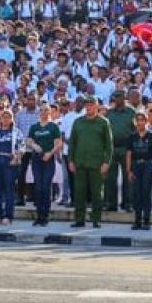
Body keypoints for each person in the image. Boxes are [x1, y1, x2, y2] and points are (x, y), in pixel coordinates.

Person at [67, 96, 113, 228]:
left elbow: (109, 145)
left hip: (97, 164)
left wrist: (106, 162)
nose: (89, 107)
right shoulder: (78, 122)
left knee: (97, 193)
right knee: (79, 193)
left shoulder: (104, 122)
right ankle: (79, 219)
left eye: (92, 105)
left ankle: (96, 219)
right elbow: (72, 144)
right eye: (87, 105)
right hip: (80, 163)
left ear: (97, 106)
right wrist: (71, 160)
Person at [0, 109, 24, 225]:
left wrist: (17, 157)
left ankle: (8, 216)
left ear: (12, 119)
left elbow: (22, 146)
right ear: (0, 119)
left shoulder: (16, 132)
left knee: (9, 189)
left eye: (8, 117)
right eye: (3, 117)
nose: (5, 119)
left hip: (10, 161)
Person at [26, 105, 63, 226]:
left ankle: (45, 216)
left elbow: (58, 143)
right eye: (41, 110)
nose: (43, 112)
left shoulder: (53, 126)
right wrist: (34, 146)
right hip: (37, 159)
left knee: (46, 187)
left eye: (46, 110)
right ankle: (38, 215)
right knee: (38, 187)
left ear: (50, 112)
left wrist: (50, 153)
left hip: (48, 158)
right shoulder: (34, 127)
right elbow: (28, 140)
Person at [125, 111, 152, 230]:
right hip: (136, 166)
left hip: (147, 166)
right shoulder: (132, 137)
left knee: (146, 193)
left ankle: (146, 221)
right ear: (135, 122)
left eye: (142, 120)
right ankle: (137, 221)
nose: (140, 122)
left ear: (146, 121)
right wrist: (129, 170)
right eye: (138, 120)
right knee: (137, 194)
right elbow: (129, 154)